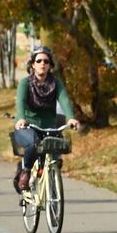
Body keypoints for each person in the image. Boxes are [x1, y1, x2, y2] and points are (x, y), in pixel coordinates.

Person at [13, 45, 80, 191]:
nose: (42, 64)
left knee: (59, 147)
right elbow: (21, 102)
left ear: (50, 65)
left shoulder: (56, 83)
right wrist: (21, 118)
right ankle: (26, 170)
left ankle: (52, 179)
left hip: (49, 126)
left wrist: (71, 118)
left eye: (46, 61)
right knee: (33, 143)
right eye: (38, 61)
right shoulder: (25, 83)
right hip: (27, 126)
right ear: (32, 64)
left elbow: (64, 100)